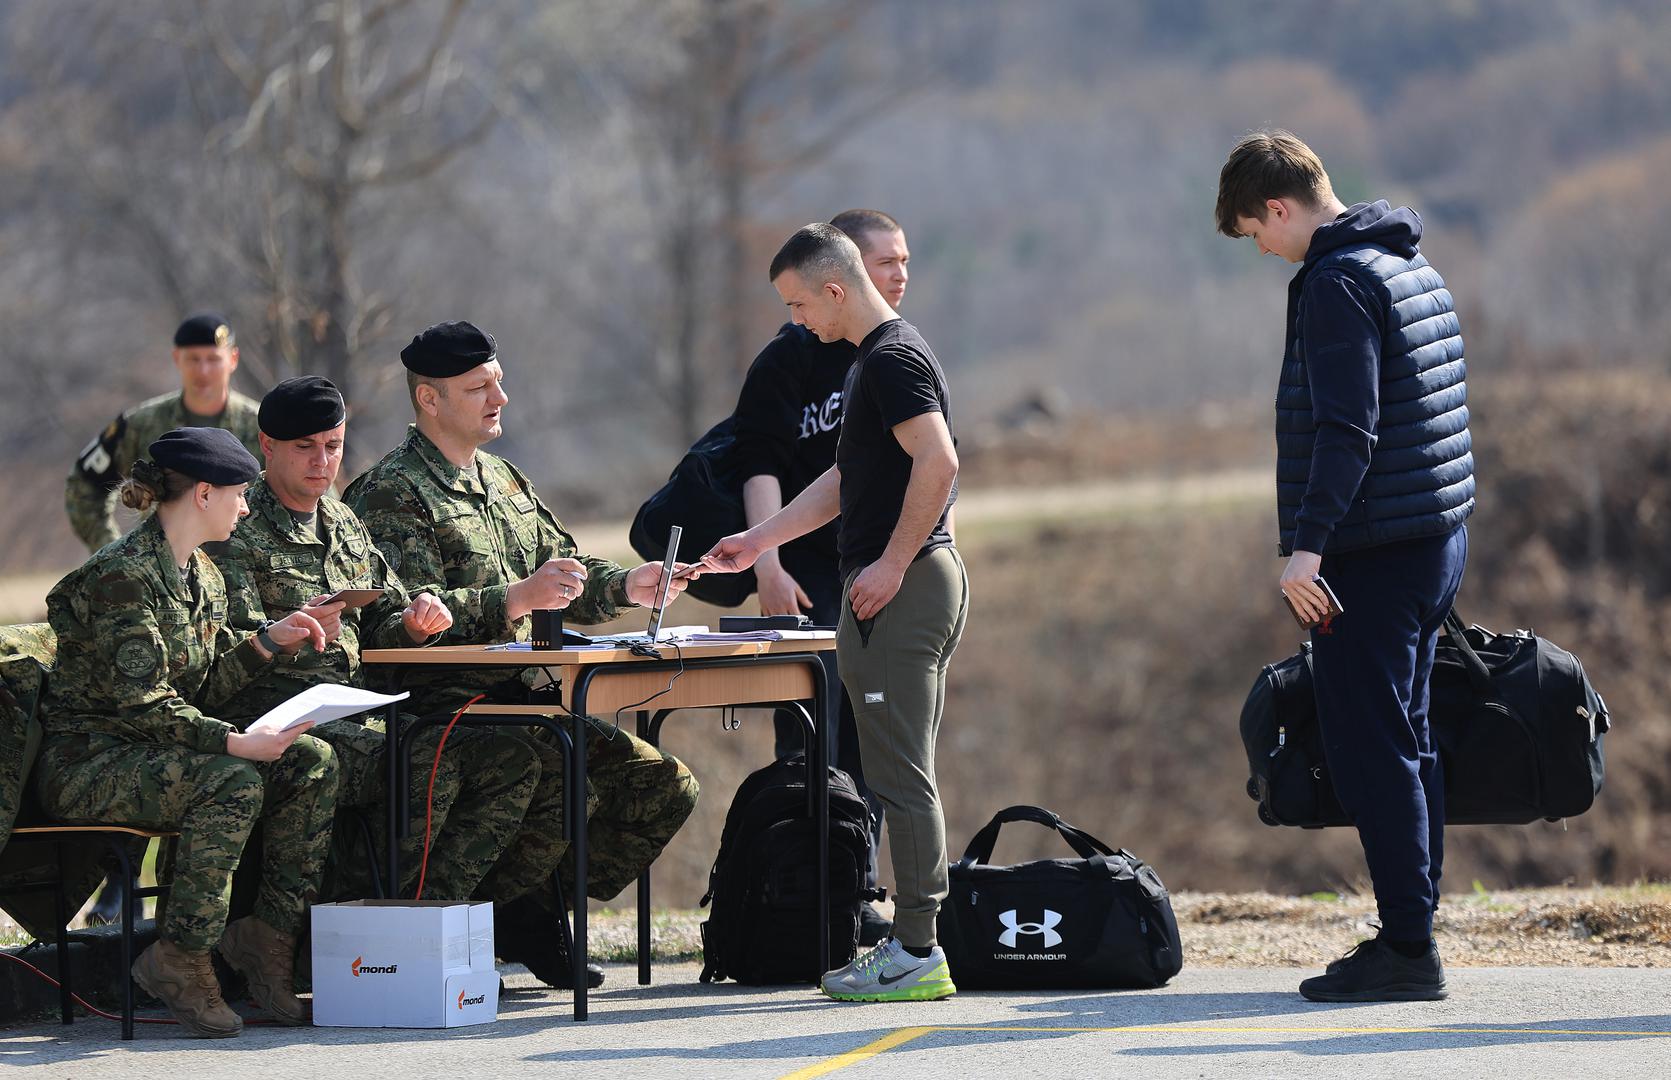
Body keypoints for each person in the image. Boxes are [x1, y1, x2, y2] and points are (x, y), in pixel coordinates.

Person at [343, 321, 701, 988]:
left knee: (660, 783)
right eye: (479, 388)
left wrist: (626, 583)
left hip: (518, 701)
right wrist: (510, 599)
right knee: (556, 773)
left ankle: (523, 905)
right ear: (429, 400)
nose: (498, 398)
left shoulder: (503, 480)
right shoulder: (390, 493)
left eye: (498, 383)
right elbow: (402, 621)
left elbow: (562, 571)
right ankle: (479, 924)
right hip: (440, 704)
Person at [1216, 129, 1473, 1002]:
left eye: (1256, 231)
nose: (1261, 248)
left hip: (1369, 551)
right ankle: (1414, 925)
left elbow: (1348, 430)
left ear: (1280, 207)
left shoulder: (1334, 285)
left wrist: (1306, 548)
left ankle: (1406, 949)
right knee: (1408, 734)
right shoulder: (1405, 263)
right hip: (1434, 537)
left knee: (1371, 746)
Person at [703, 224, 968, 1002]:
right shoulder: (868, 364)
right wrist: (758, 542)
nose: (795, 321)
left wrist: (890, 562)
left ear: (834, 289)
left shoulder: (889, 358)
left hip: (908, 584)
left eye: (797, 303)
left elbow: (940, 458)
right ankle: (913, 946)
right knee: (892, 769)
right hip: (894, 581)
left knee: (897, 776)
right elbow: (845, 481)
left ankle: (916, 950)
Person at [34, 427, 341, 1037]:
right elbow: (144, 706)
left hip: (154, 751)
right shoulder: (121, 578)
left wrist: (266, 642)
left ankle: (265, 941)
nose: (248, 507)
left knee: (312, 761)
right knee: (231, 780)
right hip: (90, 762)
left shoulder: (201, 572)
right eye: (239, 493)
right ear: (204, 493)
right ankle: (181, 954)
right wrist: (234, 742)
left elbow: (203, 684)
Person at [209, 376, 544, 906]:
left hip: (352, 708)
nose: (322, 461)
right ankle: (337, 926)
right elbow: (220, 654)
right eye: (305, 448)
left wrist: (413, 624)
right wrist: (285, 636)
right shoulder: (234, 525)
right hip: (272, 714)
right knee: (423, 763)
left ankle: (430, 916)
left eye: (334, 446)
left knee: (507, 758)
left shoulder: (342, 521)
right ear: (267, 446)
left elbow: (386, 615)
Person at [730, 208, 914, 946]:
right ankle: (808, 885)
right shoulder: (791, 356)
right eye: (885, 262)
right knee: (813, 736)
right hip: (808, 574)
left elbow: (937, 468)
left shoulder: (896, 354)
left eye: (905, 261)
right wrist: (767, 567)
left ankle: (860, 888)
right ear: (839, 276)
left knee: (877, 738)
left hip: (883, 569)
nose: (899, 275)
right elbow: (759, 463)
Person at [66, 314, 262, 552]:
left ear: (233, 359)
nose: (203, 370)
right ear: (177, 358)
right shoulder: (141, 423)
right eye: (193, 359)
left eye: (213, 359)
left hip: (241, 574)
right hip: (161, 575)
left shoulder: (261, 426)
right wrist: (115, 551)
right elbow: (83, 487)